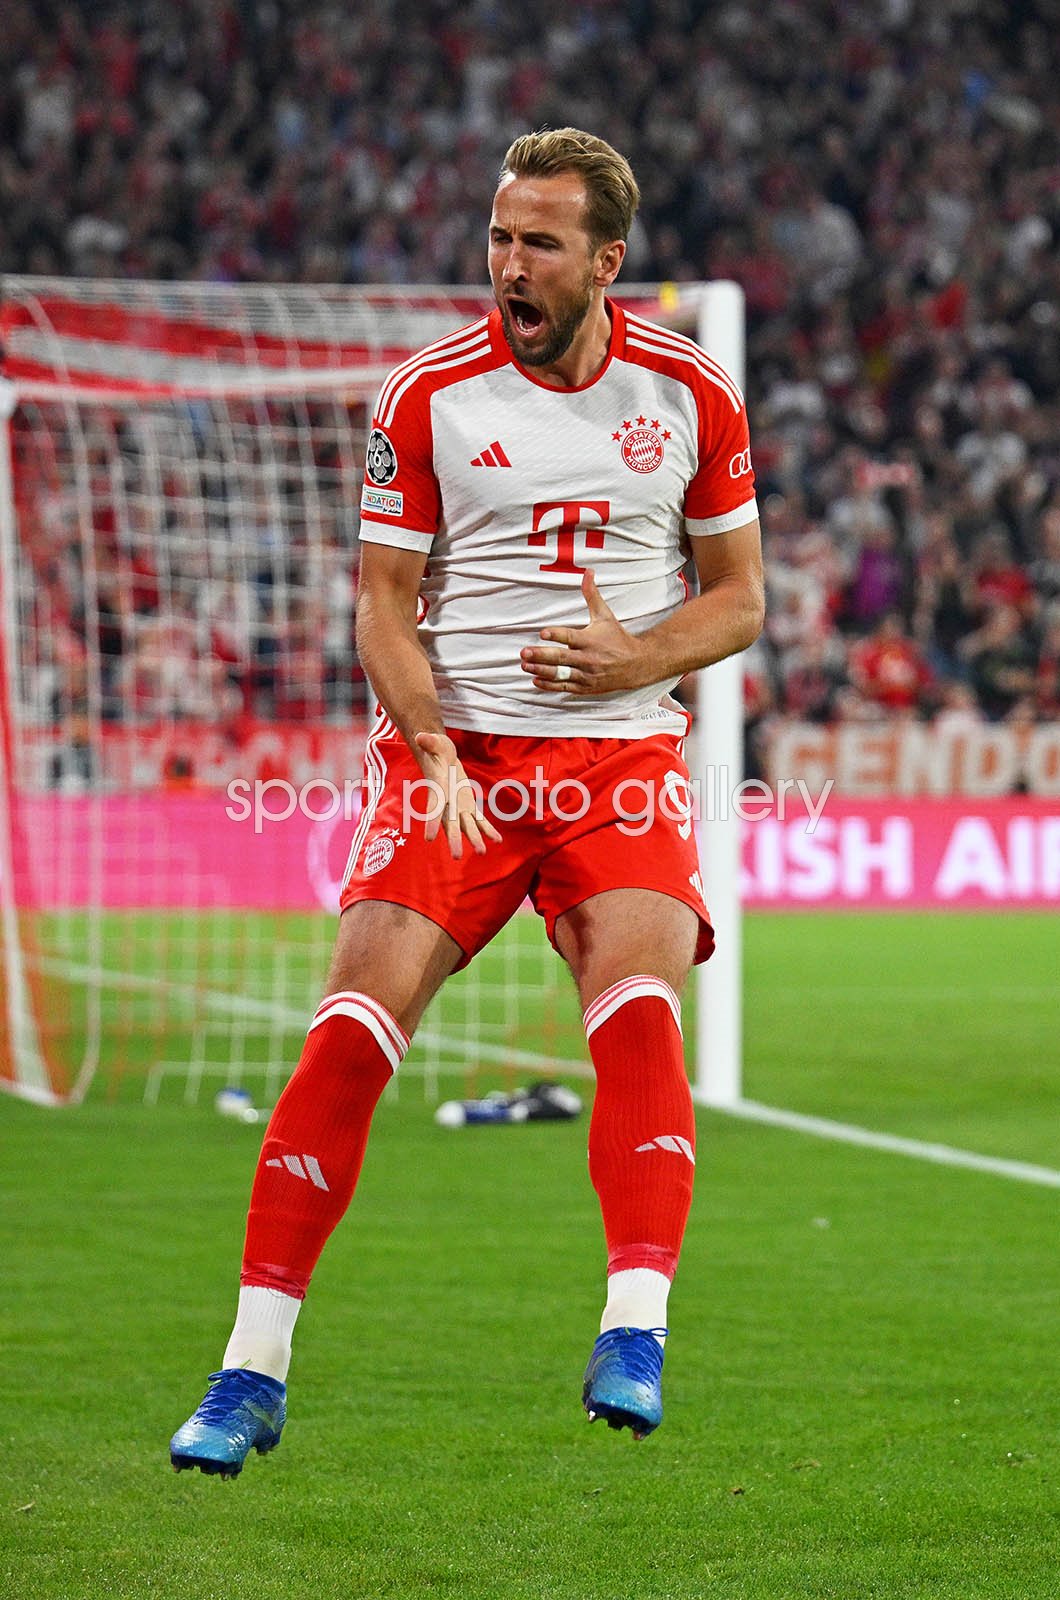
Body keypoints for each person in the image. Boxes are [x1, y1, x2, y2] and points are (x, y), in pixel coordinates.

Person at [170, 127, 764, 1476]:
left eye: (540, 241)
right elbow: (381, 606)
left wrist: (641, 654)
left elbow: (741, 597)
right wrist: (431, 752)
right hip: (462, 764)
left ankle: (634, 1328)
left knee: (637, 1017)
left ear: (607, 260)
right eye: (500, 236)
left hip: (619, 759)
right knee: (346, 1039)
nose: (509, 264)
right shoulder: (426, 394)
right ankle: (249, 1370)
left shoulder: (692, 395)